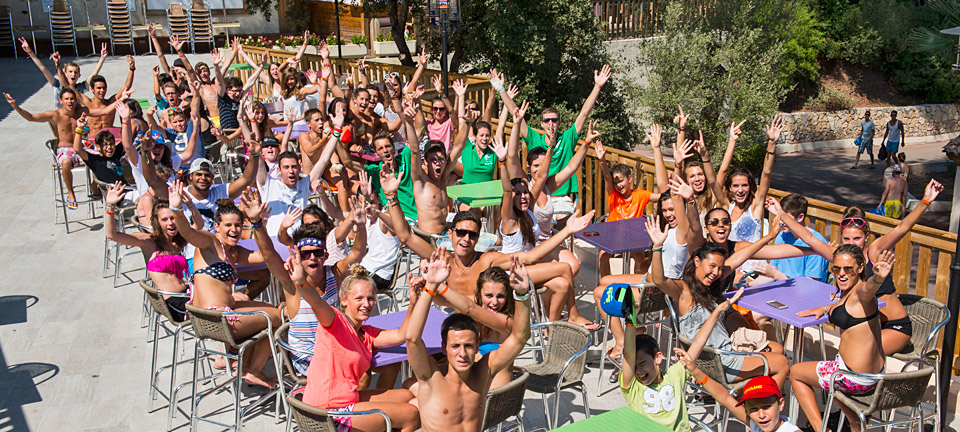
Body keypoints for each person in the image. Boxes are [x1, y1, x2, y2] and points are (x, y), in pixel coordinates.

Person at [765, 179, 944, 355]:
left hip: (893, 327)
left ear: (866, 236)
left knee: (858, 355)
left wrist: (925, 201)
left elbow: (902, 228)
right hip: (863, 325)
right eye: (846, 239)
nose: (852, 244)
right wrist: (781, 213)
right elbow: (809, 238)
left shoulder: (873, 252)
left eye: (857, 238)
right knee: (846, 348)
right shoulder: (839, 256)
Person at [269, 222, 419, 431]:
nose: (366, 304)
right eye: (359, 298)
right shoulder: (335, 321)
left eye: (370, 299)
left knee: (408, 395)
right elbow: (317, 302)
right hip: (329, 413)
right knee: (411, 415)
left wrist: (415, 301)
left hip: (346, 401)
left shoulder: (367, 333)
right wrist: (302, 283)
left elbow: (405, 334)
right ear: (344, 300)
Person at [649, 224, 792, 389]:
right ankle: (764, 407)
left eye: (720, 268)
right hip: (718, 361)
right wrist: (657, 247)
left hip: (723, 350)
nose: (716, 273)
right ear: (697, 261)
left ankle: (754, 395)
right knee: (781, 363)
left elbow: (741, 256)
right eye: (712, 266)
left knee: (777, 348)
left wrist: (770, 236)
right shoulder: (684, 291)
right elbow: (658, 279)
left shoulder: (710, 284)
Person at [167, 182, 281, 389]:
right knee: (278, 317)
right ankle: (252, 369)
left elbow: (267, 254)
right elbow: (187, 232)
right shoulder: (209, 242)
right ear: (217, 226)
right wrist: (176, 209)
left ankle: (245, 365)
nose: (234, 229)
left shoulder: (235, 252)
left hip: (214, 316)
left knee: (274, 309)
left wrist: (257, 224)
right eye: (228, 225)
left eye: (238, 225)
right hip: (218, 321)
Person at [405, 249, 531, 432]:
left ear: (477, 346)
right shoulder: (430, 378)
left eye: (469, 346)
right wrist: (430, 286)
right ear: (444, 347)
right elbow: (412, 338)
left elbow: (520, 337)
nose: (462, 353)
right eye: (455, 346)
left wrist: (522, 295)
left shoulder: (483, 374)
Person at [789, 246, 893, 432]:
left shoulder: (862, 293)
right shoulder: (847, 293)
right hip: (874, 375)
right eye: (836, 269)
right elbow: (843, 307)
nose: (841, 274)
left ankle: (823, 429)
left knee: (796, 372)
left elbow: (869, 289)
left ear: (861, 268)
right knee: (826, 378)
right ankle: (853, 419)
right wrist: (825, 309)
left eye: (848, 269)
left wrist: (878, 278)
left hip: (853, 378)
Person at [620, 283, 744, 432]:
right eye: (634, 366)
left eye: (642, 363)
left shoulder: (675, 374)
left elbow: (699, 342)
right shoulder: (633, 386)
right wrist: (630, 317)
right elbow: (628, 354)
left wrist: (717, 311)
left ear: (658, 358)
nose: (638, 370)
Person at [493, 65, 611, 213]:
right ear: (541, 124)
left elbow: (584, 113)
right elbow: (516, 115)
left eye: (554, 120)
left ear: (559, 122)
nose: (550, 124)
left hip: (561, 198)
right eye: (547, 120)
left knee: (562, 221)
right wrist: (501, 91)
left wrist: (597, 87)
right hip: (537, 196)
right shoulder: (534, 138)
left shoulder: (567, 138)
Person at [103, 182, 196, 321]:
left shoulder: (178, 240)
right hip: (175, 304)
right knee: (220, 309)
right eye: (164, 219)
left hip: (187, 294)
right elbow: (112, 235)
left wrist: (190, 205)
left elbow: (198, 226)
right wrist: (110, 207)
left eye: (173, 218)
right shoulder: (148, 242)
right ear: (157, 222)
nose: (170, 223)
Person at [5, 89, 110, 208]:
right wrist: (15, 106)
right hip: (64, 149)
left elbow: (104, 111)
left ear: (76, 100)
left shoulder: (81, 112)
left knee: (103, 156)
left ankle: (94, 185)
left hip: (80, 147)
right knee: (65, 163)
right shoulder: (54, 115)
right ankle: (70, 193)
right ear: (60, 101)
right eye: (66, 99)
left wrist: (121, 100)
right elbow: (31, 117)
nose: (70, 101)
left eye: (72, 99)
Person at [594, 136, 660, 276]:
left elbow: (662, 198)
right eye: (615, 182)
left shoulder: (641, 195)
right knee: (603, 255)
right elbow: (606, 177)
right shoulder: (613, 195)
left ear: (629, 179)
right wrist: (602, 161)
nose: (618, 185)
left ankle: (636, 284)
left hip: (633, 238)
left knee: (639, 256)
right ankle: (606, 283)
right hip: (613, 235)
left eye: (621, 181)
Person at [20, 39, 105, 106]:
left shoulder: (81, 88)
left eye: (76, 72)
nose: (73, 74)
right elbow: (43, 69)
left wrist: (102, 58)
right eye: (70, 72)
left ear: (79, 75)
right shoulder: (58, 84)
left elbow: (94, 74)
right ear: (65, 74)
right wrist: (30, 52)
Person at [766, 194, 830, 282]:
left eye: (786, 218)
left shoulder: (817, 243)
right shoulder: (782, 236)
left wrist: (778, 276)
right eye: (779, 217)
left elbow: (810, 285)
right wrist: (748, 286)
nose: (781, 222)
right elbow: (771, 272)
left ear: (800, 217)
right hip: (780, 288)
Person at [72, 56, 136, 136]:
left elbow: (126, 86)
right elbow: (69, 87)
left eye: (104, 88)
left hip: (109, 141)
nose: (102, 91)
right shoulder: (87, 102)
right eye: (99, 88)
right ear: (92, 89)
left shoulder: (111, 102)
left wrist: (132, 68)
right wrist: (59, 68)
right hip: (93, 140)